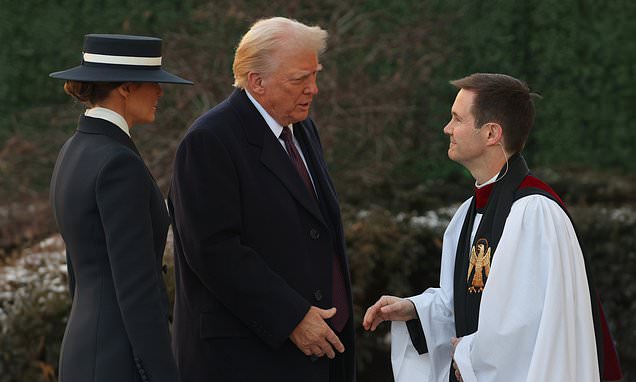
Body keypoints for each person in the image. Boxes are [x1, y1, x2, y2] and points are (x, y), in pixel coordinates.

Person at [362, 73, 621, 381]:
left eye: (457, 119)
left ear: (491, 134)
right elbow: (463, 301)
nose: (447, 128)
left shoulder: (535, 213)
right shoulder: (468, 214)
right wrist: (415, 310)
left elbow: (531, 327)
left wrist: (469, 352)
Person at [168, 17, 355, 382]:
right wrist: (292, 317)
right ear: (256, 81)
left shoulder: (300, 127)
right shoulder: (210, 140)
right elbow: (213, 250)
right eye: (299, 79)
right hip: (246, 359)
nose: (313, 89)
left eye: (315, 75)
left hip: (316, 355)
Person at [49, 34, 192, 382]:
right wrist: (162, 374)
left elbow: (79, 272)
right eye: (153, 84)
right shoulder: (118, 162)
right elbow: (137, 286)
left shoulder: (74, 148)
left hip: (86, 350)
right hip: (120, 358)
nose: (160, 93)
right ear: (126, 88)